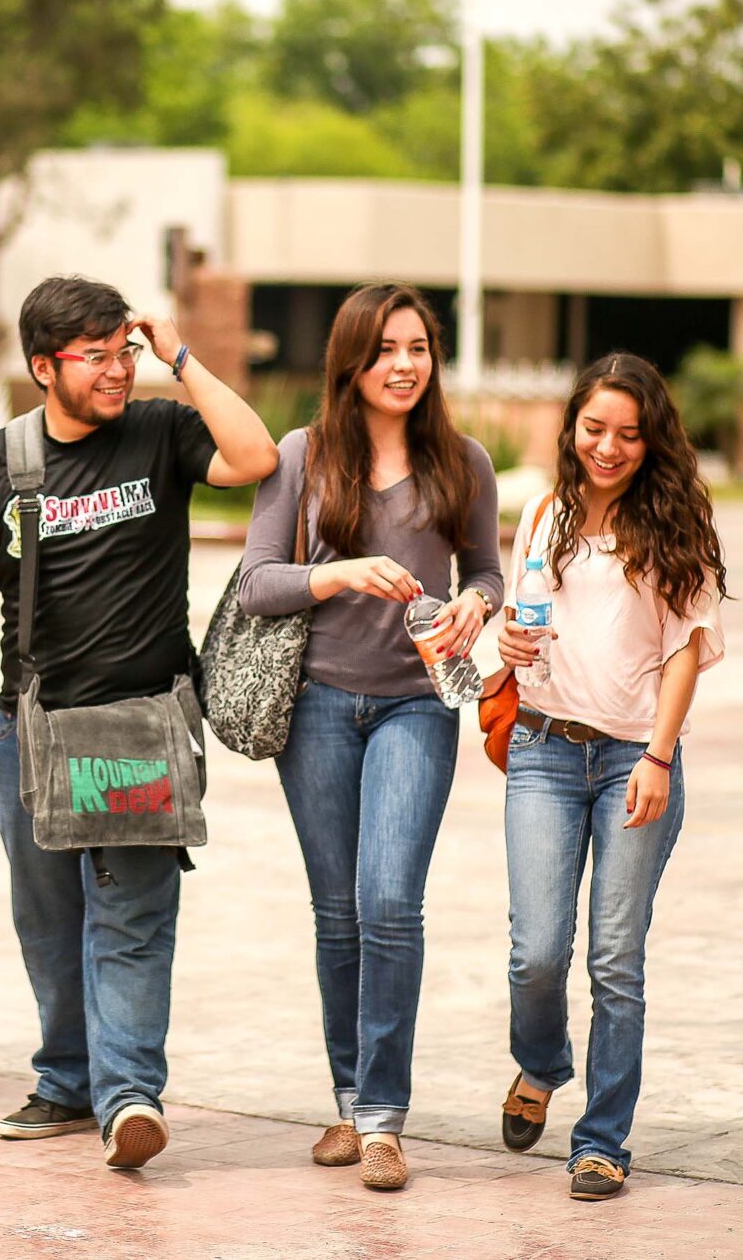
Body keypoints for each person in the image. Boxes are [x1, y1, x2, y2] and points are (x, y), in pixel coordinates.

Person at [0, 275, 278, 1171]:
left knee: (131, 919)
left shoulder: (160, 430)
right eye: (97, 357)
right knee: (48, 919)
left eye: (125, 352)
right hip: (34, 731)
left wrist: (179, 357)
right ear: (44, 366)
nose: (118, 371)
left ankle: (129, 1101)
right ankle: (68, 1080)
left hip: (143, 724)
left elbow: (257, 456)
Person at [234, 283, 502, 1191]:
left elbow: (489, 571)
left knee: (390, 901)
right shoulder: (300, 456)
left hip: (416, 704)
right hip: (316, 705)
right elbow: (256, 584)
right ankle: (349, 1103)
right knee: (337, 913)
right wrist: (341, 571)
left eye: (419, 347)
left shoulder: (463, 459)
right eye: (387, 348)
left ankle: (384, 1118)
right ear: (351, 360)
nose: (404, 364)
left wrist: (476, 602)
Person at [495, 352, 727, 1201]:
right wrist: (510, 647)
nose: (610, 447)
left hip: (635, 756)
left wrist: (660, 756)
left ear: (651, 439)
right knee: (537, 951)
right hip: (542, 750)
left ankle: (601, 1141)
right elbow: (526, 623)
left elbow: (684, 652)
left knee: (615, 960)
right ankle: (541, 1061)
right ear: (572, 429)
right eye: (595, 428)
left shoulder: (676, 523)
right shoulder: (544, 513)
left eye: (630, 433)